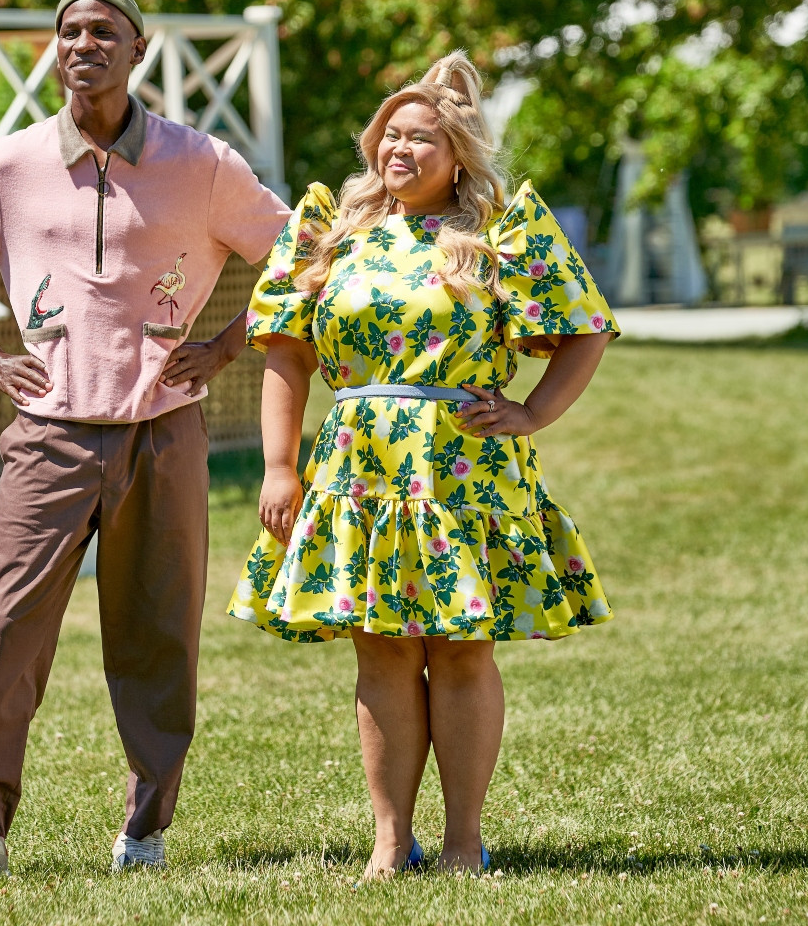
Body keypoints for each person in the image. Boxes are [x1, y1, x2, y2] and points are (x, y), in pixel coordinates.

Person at [0, 0, 291, 878]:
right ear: (56, 50)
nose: (84, 44)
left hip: (165, 431)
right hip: (47, 434)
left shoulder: (202, 164)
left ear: (138, 51)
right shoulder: (8, 164)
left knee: (159, 634)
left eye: (105, 32)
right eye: (70, 31)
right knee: (11, 630)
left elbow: (302, 259)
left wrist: (230, 343)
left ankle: (146, 830)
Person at [226, 51, 618, 879]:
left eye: (421, 140)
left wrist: (533, 411)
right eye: (390, 136)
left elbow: (584, 325)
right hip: (359, 469)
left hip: (463, 469)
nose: (398, 151)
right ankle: (387, 839)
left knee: (463, 648)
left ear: (460, 156)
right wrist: (278, 465)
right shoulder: (332, 226)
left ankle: (464, 842)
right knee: (383, 649)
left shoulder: (502, 229)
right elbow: (287, 354)